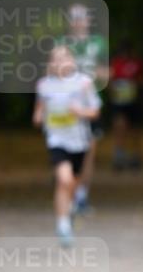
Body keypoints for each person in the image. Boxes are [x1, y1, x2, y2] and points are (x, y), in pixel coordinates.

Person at [33, 45, 101, 246]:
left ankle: (69, 208)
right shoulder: (44, 85)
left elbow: (95, 111)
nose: (60, 62)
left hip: (79, 141)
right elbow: (38, 112)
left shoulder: (83, 83)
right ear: (50, 63)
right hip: (57, 140)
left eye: (64, 58)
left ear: (72, 61)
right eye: (55, 58)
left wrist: (80, 112)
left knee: (73, 182)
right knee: (64, 180)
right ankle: (62, 225)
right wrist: (39, 116)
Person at [57, 4, 109, 213]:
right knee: (66, 148)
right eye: (74, 18)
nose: (78, 22)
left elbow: (106, 73)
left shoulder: (98, 43)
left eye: (82, 18)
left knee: (88, 150)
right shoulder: (61, 44)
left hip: (90, 103)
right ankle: (67, 189)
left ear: (88, 20)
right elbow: (52, 72)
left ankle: (81, 195)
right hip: (67, 103)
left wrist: (96, 75)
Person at [109, 40, 143, 170]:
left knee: (135, 130)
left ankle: (135, 156)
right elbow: (110, 80)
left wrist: (134, 84)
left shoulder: (137, 63)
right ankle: (119, 156)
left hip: (134, 101)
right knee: (120, 126)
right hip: (119, 102)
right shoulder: (116, 63)